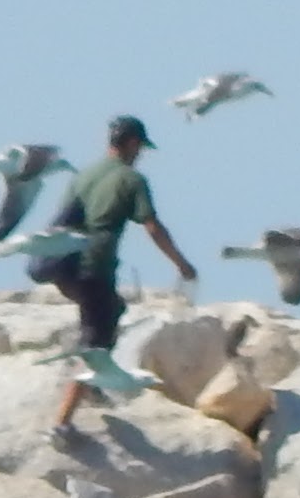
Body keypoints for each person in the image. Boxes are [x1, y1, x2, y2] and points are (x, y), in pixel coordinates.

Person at [40, 113, 198, 426]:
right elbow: (152, 227)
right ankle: (61, 424)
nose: (140, 155)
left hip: (63, 267)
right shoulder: (131, 179)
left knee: (113, 309)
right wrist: (182, 264)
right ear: (132, 144)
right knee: (97, 340)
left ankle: (93, 386)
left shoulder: (85, 174)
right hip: (94, 267)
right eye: (140, 148)